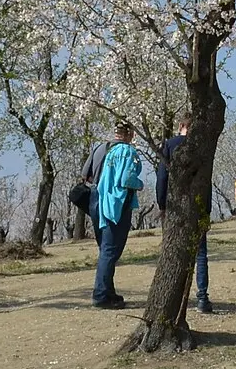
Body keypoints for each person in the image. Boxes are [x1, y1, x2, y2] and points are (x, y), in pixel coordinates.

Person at [155, 116, 213, 315]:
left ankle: (171, 298)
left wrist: (162, 204)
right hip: (197, 205)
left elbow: (162, 177)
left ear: (181, 126)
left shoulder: (170, 145)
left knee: (173, 252)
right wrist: (207, 210)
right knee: (201, 253)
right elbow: (207, 180)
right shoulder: (203, 148)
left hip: (175, 206)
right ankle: (203, 298)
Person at [88, 122, 146, 306]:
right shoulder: (128, 152)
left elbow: (87, 175)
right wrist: (140, 184)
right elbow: (127, 179)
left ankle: (108, 290)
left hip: (98, 201)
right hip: (117, 204)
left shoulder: (103, 149)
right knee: (111, 250)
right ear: (129, 134)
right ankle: (101, 295)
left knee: (105, 249)